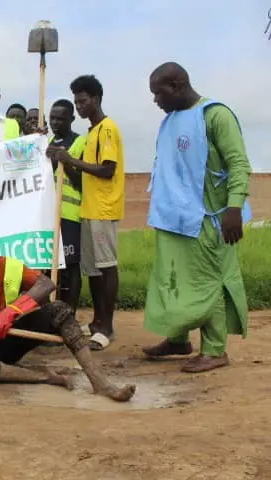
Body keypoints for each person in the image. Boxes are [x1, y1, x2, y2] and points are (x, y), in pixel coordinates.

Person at [0, 226, 135, 402]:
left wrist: (11, 312)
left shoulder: (7, 266)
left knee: (59, 309)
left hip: (15, 331)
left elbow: (46, 284)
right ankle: (44, 376)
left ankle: (99, 381)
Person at [142, 62, 252, 373]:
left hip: (208, 219)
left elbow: (239, 164)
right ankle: (178, 339)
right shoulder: (170, 120)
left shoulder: (216, 115)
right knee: (173, 280)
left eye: (158, 93)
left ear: (177, 86)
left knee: (207, 283)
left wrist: (234, 208)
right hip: (172, 218)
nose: (155, 101)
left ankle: (215, 350)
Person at [47, 75, 124, 351]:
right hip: (88, 209)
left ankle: (107, 326)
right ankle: (97, 323)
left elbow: (107, 169)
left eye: (82, 101)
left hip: (103, 208)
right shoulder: (93, 132)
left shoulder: (106, 129)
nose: (79, 107)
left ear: (96, 99)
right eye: (77, 101)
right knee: (93, 271)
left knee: (106, 268)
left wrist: (71, 161)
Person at [45, 99, 85, 313]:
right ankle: (51, 312)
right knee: (50, 267)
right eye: (52, 118)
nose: (55, 122)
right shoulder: (47, 143)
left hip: (70, 215)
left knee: (71, 265)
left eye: (60, 118)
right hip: (48, 216)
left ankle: (70, 313)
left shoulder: (80, 143)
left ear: (71, 119)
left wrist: (65, 161)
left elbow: (83, 182)